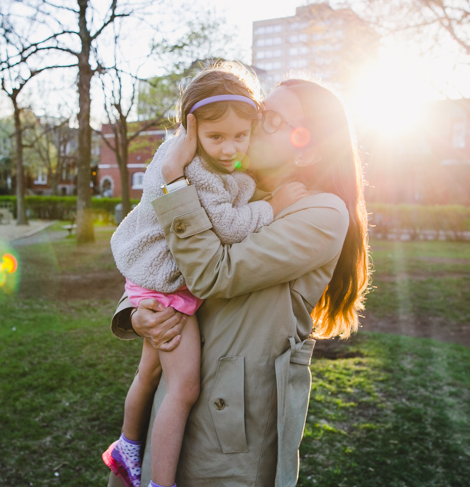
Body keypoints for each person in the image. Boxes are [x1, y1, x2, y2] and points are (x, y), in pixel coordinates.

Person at [106, 78, 371, 487]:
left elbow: (212, 272)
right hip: (174, 405)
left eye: (275, 120)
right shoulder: (230, 187)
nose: (255, 122)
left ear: (309, 151)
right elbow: (157, 256)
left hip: (229, 433)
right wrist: (139, 313)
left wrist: (173, 179)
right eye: (262, 111)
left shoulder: (321, 213)